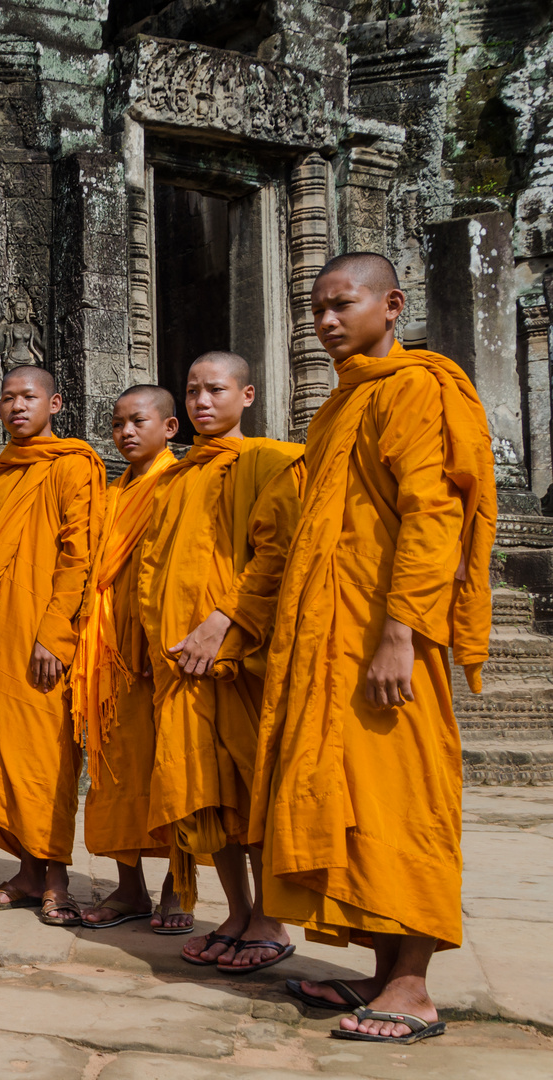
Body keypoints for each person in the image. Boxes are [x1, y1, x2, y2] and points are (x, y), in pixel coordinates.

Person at [255, 253, 494, 1044]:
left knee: (401, 800)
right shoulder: (339, 407)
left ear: (389, 306)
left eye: (339, 304)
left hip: (386, 635)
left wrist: (402, 632)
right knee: (351, 802)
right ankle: (382, 969)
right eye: (315, 309)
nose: (324, 320)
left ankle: (413, 988)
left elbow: (433, 515)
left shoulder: (415, 389)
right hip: (332, 638)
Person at [135, 352, 304, 973]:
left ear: (248, 394)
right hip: (182, 659)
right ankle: (236, 912)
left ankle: (271, 919)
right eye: (193, 391)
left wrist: (221, 622)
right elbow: (156, 570)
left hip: (241, 654)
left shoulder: (272, 463)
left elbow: (278, 554)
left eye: (216, 390)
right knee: (207, 793)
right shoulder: (176, 479)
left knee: (251, 786)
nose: (202, 402)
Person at [0, 365, 104, 926]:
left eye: (29, 397)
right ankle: (25, 870)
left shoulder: (71, 466)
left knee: (47, 757)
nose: (18, 406)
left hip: (42, 635)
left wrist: (53, 634)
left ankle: (57, 877)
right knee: (5, 756)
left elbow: (78, 554)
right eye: (8, 398)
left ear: (55, 403)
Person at [72, 385, 190, 933]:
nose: (125, 432)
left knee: (171, 769)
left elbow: (185, 572)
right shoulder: (112, 491)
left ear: (168, 428)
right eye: (117, 423)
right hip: (107, 652)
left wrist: (158, 639)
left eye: (137, 421)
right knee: (114, 771)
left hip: (161, 651)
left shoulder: (181, 484)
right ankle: (129, 888)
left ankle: (177, 892)